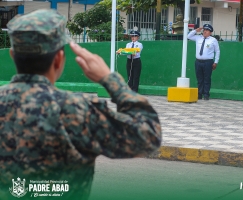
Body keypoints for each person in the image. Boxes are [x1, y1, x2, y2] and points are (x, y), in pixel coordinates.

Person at [0, 9, 161, 200]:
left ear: (12, 55)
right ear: (59, 59)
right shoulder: (76, 109)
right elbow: (148, 135)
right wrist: (110, 80)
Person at [187, 24, 220, 100]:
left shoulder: (213, 40)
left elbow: (217, 51)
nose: (205, 32)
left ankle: (206, 94)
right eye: (204, 30)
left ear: (210, 32)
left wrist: (216, 62)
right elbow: (188, 36)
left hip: (208, 62)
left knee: (207, 78)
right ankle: (199, 94)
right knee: (199, 79)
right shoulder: (198, 38)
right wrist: (196, 30)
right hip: (198, 62)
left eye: (207, 30)